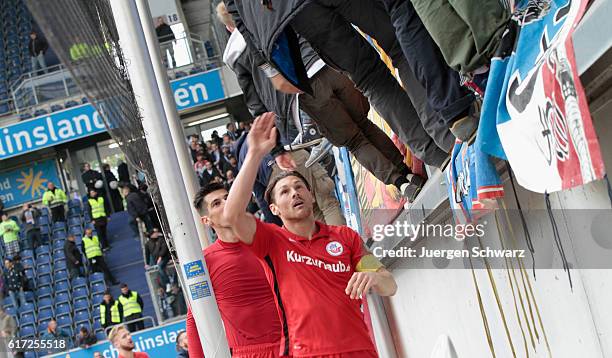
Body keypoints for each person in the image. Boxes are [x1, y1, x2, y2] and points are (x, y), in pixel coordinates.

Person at [223, 114, 397, 357]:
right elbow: (231, 216)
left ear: (311, 195)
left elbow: (389, 284)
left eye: (299, 187)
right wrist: (253, 155)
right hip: (308, 352)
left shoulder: (345, 237)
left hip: (360, 349)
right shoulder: (271, 241)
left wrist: (375, 278)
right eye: (284, 191)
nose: (294, 193)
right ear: (274, 209)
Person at [217, 3, 426, 199]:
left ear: (229, 26)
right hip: (331, 64)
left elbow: (256, 104)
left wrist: (277, 149)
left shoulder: (237, 57)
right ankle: (407, 172)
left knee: (353, 141)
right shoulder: (270, 10)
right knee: (364, 123)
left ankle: (401, 183)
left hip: (304, 92)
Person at [186, 182, 284, 358]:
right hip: (248, 353)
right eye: (217, 203)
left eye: (228, 198)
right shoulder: (204, 262)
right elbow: (195, 318)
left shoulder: (270, 238)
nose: (226, 203)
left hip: (295, 344)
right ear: (206, 220)